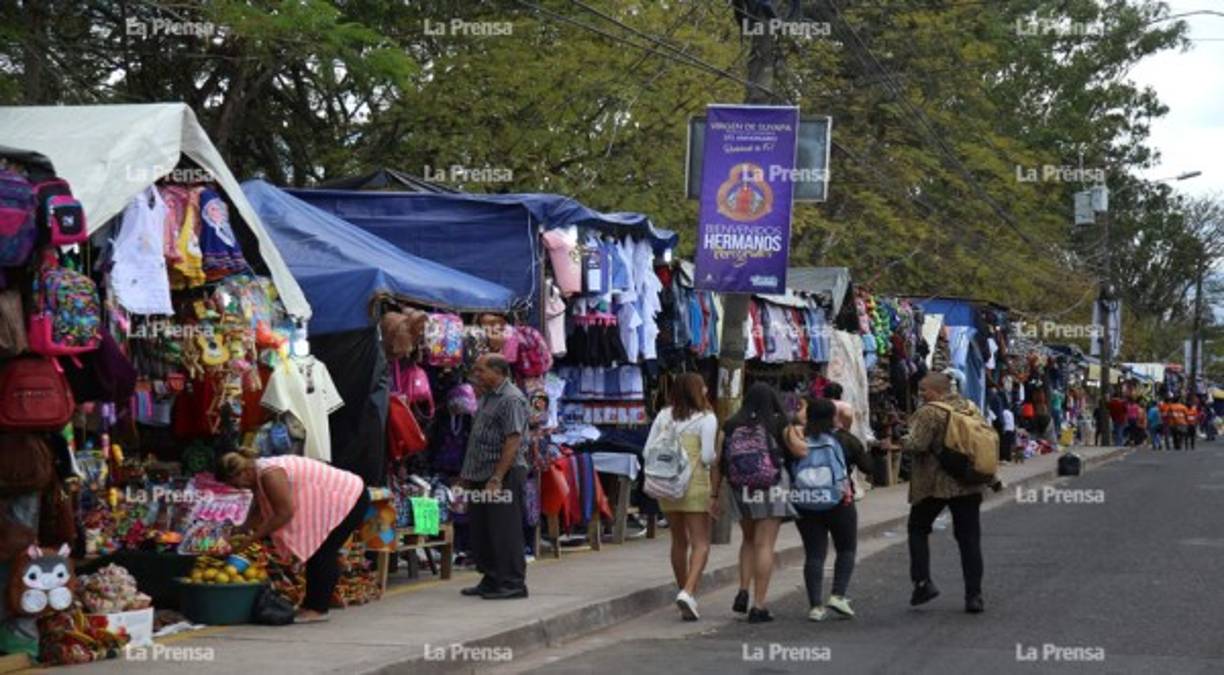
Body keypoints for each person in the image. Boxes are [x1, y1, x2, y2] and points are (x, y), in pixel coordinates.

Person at [218, 449, 370, 623]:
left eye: (237, 484)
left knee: (323, 550)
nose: (239, 488)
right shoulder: (259, 475)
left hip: (348, 497)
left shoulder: (270, 474)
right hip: (336, 498)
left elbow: (284, 513)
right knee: (318, 550)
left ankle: (318, 609)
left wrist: (251, 539)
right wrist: (239, 531)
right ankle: (311, 605)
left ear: (244, 472)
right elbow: (259, 511)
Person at [890, 373, 988, 614]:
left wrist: (899, 441)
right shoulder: (971, 407)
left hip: (934, 484)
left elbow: (917, 444)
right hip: (968, 481)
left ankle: (923, 583)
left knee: (917, 528)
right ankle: (974, 596)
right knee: (969, 540)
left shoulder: (929, 412)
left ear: (938, 390)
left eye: (924, 390)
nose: (920, 394)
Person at [715, 382, 798, 623]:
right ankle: (758, 605)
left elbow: (718, 463)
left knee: (748, 540)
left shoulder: (729, 425)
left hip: (740, 488)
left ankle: (743, 590)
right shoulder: (779, 423)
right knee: (765, 545)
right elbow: (799, 451)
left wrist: (713, 495)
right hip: (771, 486)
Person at [646, 372, 718, 621]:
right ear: (698, 391)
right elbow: (708, 457)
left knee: (678, 540)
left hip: (666, 485)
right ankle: (688, 592)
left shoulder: (664, 416)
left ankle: (684, 591)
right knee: (701, 542)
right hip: (694, 484)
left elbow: (647, 450)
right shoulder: (707, 418)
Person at [459, 353, 530, 600]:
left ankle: (513, 583)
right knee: (483, 529)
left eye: (481, 371)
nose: (476, 375)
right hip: (482, 473)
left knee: (504, 529)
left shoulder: (511, 399)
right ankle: (491, 577)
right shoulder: (488, 396)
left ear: (498, 372)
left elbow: (514, 440)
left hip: (503, 475)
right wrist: (468, 475)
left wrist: (497, 478)